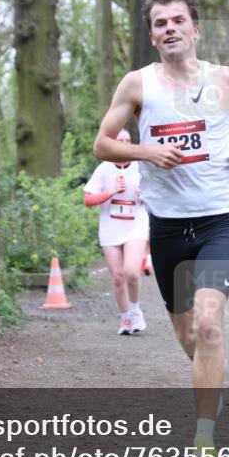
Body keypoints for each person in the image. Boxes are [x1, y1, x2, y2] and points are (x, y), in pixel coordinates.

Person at [92, 0, 229, 457]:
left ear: (195, 29)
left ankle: (203, 444)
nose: (170, 28)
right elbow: (102, 143)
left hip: (220, 220)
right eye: (160, 22)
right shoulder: (138, 84)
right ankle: (213, 382)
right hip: (165, 225)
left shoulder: (227, 79)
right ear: (152, 35)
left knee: (209, 325)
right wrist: (146, 152)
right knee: (190, 337)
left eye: (178, 20)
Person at [83, 129, 149, 335]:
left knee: (131, 271)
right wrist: (110, 192)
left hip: (135, 225)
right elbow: (87, 200)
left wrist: (145, 194)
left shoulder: (141, 167)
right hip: (110, 228)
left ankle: (135, 309)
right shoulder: (104, 169)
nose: (124, 143)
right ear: (112, 144)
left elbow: (158, 195)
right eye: (120, 140)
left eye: (127, 141)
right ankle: (125, 317)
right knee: (118, 277)